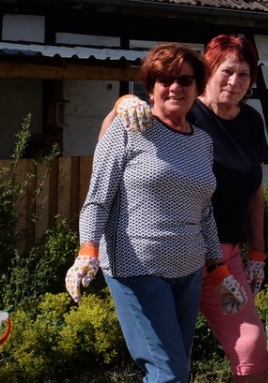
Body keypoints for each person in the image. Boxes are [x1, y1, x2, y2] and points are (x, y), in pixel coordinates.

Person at [70, 42, 247, 383]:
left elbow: (205, 211)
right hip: (137, 268)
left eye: (185, 80)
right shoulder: (128, 129)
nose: (175, 87)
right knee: (169, 374)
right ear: (150, 87)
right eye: (164, 79)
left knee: (174, 368)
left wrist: (219, 270)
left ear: (197, 88)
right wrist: (87, 249)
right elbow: (97, 199)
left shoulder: (202, 142)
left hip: (189, 271)